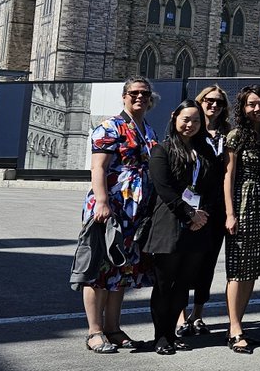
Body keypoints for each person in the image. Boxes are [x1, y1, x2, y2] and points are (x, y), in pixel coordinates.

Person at [81, 77, 157, 354]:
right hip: (110, 207)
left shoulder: (147, 128)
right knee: (100, 269)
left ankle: (113, 328)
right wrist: (102, 201)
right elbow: (98, 168)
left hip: (134, 212)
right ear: (124, 96)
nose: (139, 97)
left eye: (144, 94)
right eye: (134, 93)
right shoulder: (110, 126)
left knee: (122, 271)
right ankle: (94, 332)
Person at [146, 100, 224, 355]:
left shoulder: (206, 152)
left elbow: (213, 188)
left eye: (196, 120)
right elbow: (165, 189)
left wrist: (204, 215)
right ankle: (161, 336)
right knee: (164, 283)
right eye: (186, 119)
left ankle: (172, 332)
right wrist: (189, 213)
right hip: (169, 222)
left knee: (183, 283)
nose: (190, 125)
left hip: (198, 224)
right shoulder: (162, 150)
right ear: (175, 118)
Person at [223, 84, 260, 355]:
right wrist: (230, 213)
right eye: (251, 104)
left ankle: (239, 324)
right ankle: (234, 329)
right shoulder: (237, 135)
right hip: (243, 202)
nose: (256, 108)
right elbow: (229, 175)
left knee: (252, 268)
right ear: (243, 108)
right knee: (237, 268)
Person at [177, 85, 231, 339]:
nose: (214, 106)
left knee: (207, 263)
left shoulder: (228, 133)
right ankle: (179, 316)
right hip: (191, 206)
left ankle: (197, 314)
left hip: (218, 207)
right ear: (200, 102)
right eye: (209, 101)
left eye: (219, 103)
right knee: (184, 261)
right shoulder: (191, 132)